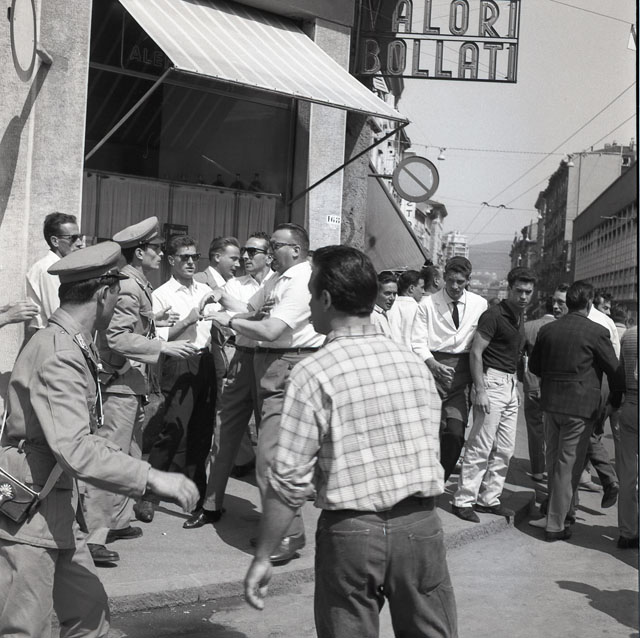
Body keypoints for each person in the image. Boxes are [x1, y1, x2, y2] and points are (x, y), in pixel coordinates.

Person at [244, 245, 457, 638]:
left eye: (311, 295)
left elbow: (288, 480)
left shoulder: (312, 372)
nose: (309, 304)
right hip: (420, 526)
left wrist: (263, 555)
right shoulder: (412, 365)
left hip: (351, 534)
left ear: (326, 299)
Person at [0, 242, 199, 638]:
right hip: (31, 512)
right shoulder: (60, 351)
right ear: (105, 294)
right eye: (118, 293)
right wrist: (151, 477)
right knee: (25, 627)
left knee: (90, 616)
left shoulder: (72, 341)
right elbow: (74, 447)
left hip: (57, 505)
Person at [205, 223, 324, 563]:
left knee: (272, 456)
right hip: (267, 365)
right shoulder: (278, 279)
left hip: (287, 364)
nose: (270, 250)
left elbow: (271, 329)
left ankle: (290, 532)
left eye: (276, 244)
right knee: (270, 452)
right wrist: (218, 299)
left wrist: (228, 321)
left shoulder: (302, 280)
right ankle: (280, 526)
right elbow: (250, 308)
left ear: (296, 249)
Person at [82, 218, 197, 563]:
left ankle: (117, 521)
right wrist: (162, 346)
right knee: (110, 458)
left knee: (130, 456)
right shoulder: (130, 286)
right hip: (117, 382)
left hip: (130, 382)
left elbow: (130, 327)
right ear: (139, 252)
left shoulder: (136, 283)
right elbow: (116, 338)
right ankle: (93, 536)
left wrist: (154, 325)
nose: (161, 254)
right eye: (156, 249)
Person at [184, 232, 276, 529]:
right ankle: (211, 505)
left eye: (252, 252)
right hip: (241, 358)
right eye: (243, 252)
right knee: (223, 433)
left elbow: (262, 321)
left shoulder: (280, 283)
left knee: (269, 441)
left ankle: (274, 517)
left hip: (270, 361)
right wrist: (241, 308)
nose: (245, 257)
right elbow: (229, 316)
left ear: (269, 256)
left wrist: (239, 310)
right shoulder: (235, 285)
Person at [528, 281, 620, 541]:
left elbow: (534, 367)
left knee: (554, 461)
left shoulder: (548, 330)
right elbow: (614, 371)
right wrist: (614, 401)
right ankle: (555, 525)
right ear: (589, 304)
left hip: (551, 405)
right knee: (567, 466)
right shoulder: (597, 332)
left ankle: (560, 515)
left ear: (568, 303)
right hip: (579, 409)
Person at [136, 236, 218, 522]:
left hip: (204, 361)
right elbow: (159, 338)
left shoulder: (205, 290)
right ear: (171, 260)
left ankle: (197, 495)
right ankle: (149, 495)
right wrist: (188, 320)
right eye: (185, 257)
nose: (191, 262)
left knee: (202, 431)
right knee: (172, 428)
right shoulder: (162, 294)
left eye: (195, 256)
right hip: (179, 361)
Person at [451, 266, 536, 523]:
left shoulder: (519, 316)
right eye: (519, 291)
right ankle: (463, 499)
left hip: (509, 384)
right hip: (491, 382)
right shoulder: (494, 315)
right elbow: (476, 353)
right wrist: (480, 390)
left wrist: (516, 386)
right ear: (509, 289)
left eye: (528, 292)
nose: (523, 296)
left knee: (505, 449)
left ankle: (489, 498)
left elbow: (516, 356)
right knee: (480, 444)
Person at [413, 256, 488, 481]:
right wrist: (432, 364)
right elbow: (417, 342)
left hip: (461, 377)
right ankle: (422, 482)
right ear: (444, 278)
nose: (455, 287)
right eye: (451, 281)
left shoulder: (479, 304)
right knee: (428, 433)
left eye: (460, 282)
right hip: (431, 373)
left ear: (468, 281)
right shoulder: (427, 304)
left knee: (455, 434)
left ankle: (439, 481)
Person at [25, 212, 85, 337]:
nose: (80, 243)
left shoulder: (63, 267)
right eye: (73, 238)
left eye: (80, 237)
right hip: (51, 337)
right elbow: (57, 314)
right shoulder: (48, 269)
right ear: (55, 241)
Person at [522, 295, 556, 482]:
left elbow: (519, 356)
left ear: (543, 307)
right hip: (554, 386)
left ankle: (537, 469)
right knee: (554, 430)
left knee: (535, 428)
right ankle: (553, 469)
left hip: (532, 383)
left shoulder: (528, 327)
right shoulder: (560, 328)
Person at [611, 325, 638, 549]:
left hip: (630, 404)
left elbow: (619, 374)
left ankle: (627, 532)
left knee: (628, 473)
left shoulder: (629, 335)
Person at [387, 269, 423, 347]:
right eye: (422, 287)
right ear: (411, 288)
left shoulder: (388, 307)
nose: (423, 291)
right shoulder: (419, 309)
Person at [370, 271, 397, 338]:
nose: (392, 298)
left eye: (394, 294)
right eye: (387, 293)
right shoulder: (372, 316)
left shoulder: (383, 313)